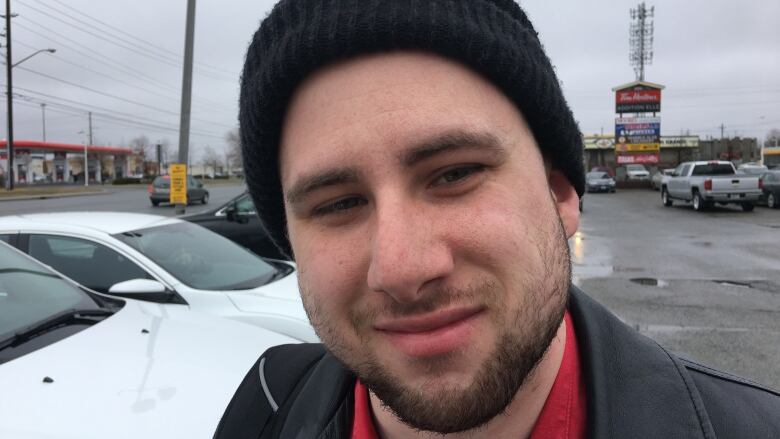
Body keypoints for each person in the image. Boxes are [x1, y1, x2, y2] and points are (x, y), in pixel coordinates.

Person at [216, 1, 780, 438]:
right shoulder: (261, 410)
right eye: (338, 204)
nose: (402, 268)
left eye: (455, 173)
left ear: (560, 192)